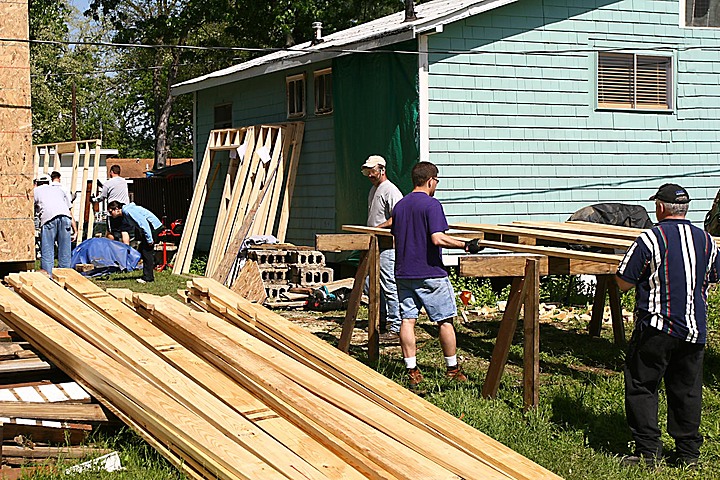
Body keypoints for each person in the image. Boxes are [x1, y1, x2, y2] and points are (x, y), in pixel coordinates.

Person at [616, 183, 720, 468]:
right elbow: (713, 277)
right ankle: (688, 455)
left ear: (660, 207)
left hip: (658, 325)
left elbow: (623, 281)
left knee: (642, 384)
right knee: (686, 389)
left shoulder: (651, 238)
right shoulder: (707, 240)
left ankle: (649, 452)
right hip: (695, 328)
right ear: (685, 209)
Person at [391, 161, 482, 388]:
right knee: (445, 321)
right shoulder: (431, 205)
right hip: (430, 271)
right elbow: (437, 238)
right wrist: (466, 246)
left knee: (408, 320)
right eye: (436, 181)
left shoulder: (400, 206)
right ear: (431, 180)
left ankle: (412, 371)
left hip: (404, 271)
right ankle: (452, 369)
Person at [362, 155, 403, 340]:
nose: (370, 175)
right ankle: (381, 319)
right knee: (371, 283)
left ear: (382, 170)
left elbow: (398, 217)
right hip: (375, 243)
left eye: (372, 171)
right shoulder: (373, 190)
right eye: (367, 171)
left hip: (387, 245)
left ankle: (396, 325)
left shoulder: (390, 190)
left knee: (388, 284)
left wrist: (378, 228)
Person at [107, 201, 162, 283]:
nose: (111, 214)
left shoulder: (128, 211)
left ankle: (148, 278)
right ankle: (147, 275)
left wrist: (149, 239)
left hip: (153, 227)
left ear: (117, 209)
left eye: (111, 212)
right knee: (143, 250)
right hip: (151, 228)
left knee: (147, 252)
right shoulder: (126, 213)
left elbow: (143, 223)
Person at [34, 173, 77, 276]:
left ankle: (48, 276)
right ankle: (65, 277)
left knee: (48, 250)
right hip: (66, 218)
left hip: (49, 219)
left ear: (37, 183)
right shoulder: (59, 190)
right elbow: (69, 211)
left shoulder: (35, 191)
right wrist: (75, 231)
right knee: (65, 251)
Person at [93, 165, 132, 245]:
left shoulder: (108, 183)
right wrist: (103, 186)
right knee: (124, 231)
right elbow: (114, 189)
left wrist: (94, 200)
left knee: (111, 232)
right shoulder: (124, 182)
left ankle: (111, 249)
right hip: (123, 210)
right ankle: (127, 250)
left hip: (112, 211)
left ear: (111, 172)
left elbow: (102, 196)